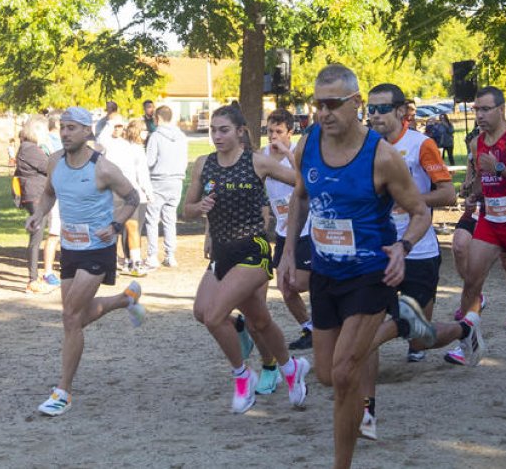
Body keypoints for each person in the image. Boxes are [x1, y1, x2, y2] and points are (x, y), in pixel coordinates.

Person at [276, 64, 435, 469]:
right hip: (327, 272)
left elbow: (419, 212)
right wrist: (290, 254)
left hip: (371, 273)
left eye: (333, 104)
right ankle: (401, 321)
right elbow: (300, 196)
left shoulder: (381, 156)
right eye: (318, 105)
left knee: (345, 374)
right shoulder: (307, 144)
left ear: (356, 104)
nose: (324, 113)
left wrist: (403, 246)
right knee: (328, 374)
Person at [358, 82, 471, 439]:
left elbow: (448, 193)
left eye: (380, 108)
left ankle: (465, 330)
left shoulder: (420, 144)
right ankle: (366, 412)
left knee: (419, 338)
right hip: (377, 253)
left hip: (418, 252)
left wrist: (409, 199)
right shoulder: (364, 146)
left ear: (400, 111)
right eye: (369, 109)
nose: (373, 115)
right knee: (367, 333)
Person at [182, 105, 308, 414]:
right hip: (223, 254)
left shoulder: (257, 162)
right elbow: (187, 209)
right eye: (212, 130)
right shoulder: (204, 164)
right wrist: (199, 208)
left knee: (214, 316)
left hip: (253, 250)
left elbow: (303, 184)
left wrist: (290, 155)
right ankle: (291, 368)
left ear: (240, 131)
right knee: (251, 319)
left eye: (223, 130)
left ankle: (243, 376)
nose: (216, 136)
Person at [24, 107, 149, 416]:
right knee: (75, 317)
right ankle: (126, 299)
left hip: (98, 247)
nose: (65, 133)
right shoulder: (55, 161)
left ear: (87, 132)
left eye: (72, 128)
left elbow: (133, 199)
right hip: (70, 247)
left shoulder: (103, 168)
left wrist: (116, 225)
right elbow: (50, 194)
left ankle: (63, 391)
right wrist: (39, 213)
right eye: (62, 127)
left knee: (70, 317)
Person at [452, 86, 506, 344]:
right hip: (489, 218)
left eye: (485, 109)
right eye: (476, 110)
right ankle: (467, 342)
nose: (480, 115)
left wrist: (498, 167)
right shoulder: (476, 142)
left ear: (501, 109)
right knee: (472, 279)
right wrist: (473, 194)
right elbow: (482, 180)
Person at [264, 110, 315, 352]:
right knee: (284, 285)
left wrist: (286, 153)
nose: (273, 136)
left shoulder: (297, 153)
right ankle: (310, 328)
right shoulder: (262, 156)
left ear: (290, 133)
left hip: (305, 227)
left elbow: (305, 180)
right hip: (283, 230)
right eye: (269, 131)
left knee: (301, 282)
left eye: (278, 132)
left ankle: (325, 320)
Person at [15, 116, 60, 292]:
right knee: (36, 238)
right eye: (43, 131)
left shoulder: (29, 147)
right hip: (35, 196)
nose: (46, 135)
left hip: (38, 194)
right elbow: (49, 167)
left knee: (37, 236)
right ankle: (32, 280)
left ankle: (34, 278)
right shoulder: (30, 149)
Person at [106, 120, 154, 275]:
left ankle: (112, 264)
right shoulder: (137, 149)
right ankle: (135, 263)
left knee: (113, 228)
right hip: (130, 193)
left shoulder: (113, 146)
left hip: (113, 192)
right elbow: (142, 175)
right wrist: (149, 193)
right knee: (133, 228)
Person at [145, 105, 188, 268]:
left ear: (158, 118)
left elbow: (149, 161)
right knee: (170, 219)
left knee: (152, 219)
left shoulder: (156, 136)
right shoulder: (182, 136)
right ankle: (170, 255)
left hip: (158, 180)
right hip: (176, 181)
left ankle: (152, 255)